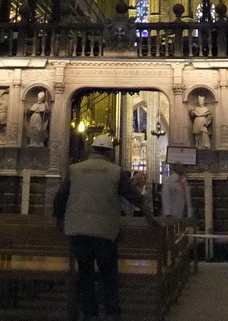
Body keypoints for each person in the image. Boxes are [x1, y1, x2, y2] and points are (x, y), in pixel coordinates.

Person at [53, 134, 159, 321]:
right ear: (109, 152)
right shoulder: (115, 171)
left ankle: (89, 312)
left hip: (78, 230)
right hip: (104, 232)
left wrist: (59, 219)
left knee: (85, 273)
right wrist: (151, 218)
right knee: (108, 274)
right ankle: (111, 311)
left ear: (92, 150)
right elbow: (135, 197)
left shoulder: (76, 169)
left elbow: (60, 197)